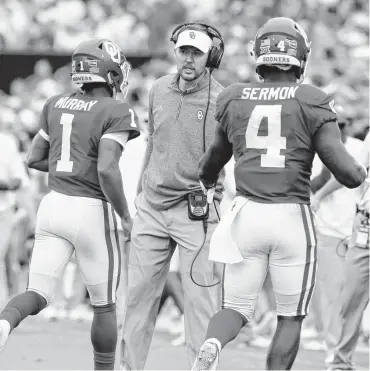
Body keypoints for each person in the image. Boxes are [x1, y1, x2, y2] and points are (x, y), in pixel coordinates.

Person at [191, 17, 367, 371]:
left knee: (234, 309)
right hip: (291, 217)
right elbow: (347, 173)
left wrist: (208, 186)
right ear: (300, 57)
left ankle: (213, 341)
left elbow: (210, 163)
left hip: (246, 214)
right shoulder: (312, 99)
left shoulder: (233, 96)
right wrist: (360, 170)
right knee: (290, 317)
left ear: (260, 55)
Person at [0, 38, 140, 371]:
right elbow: (106, 167)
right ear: (107, 71)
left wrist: (72, 164)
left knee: (37, 293)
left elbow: (35, 158)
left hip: (52, 205)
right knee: (104, 305)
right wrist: (125, 215)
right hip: (90, 208)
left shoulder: (56, 103)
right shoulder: (117, 109)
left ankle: (4, 321)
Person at [120, 22, 225, 370]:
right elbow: (153, 141)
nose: (189, 59)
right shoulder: (159, 88)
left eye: (197, 52)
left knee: (200, 304)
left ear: (212, 55)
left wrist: (218, 199)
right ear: (175, 51)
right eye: (184, 51)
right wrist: (138, 193)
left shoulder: (220, 99)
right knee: (136, 300)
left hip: (196, 210)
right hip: (151, 206)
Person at [307, 107, 365, 361]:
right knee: (331, 297)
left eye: (344, 124)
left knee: (345, 297)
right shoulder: (321, 147)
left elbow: (346, 175)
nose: (340, 129)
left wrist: (317, 194)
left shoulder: (351, 147)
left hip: (352, 229)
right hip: (330, 228)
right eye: (336, 124)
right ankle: (334, 349)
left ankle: (338, 350)